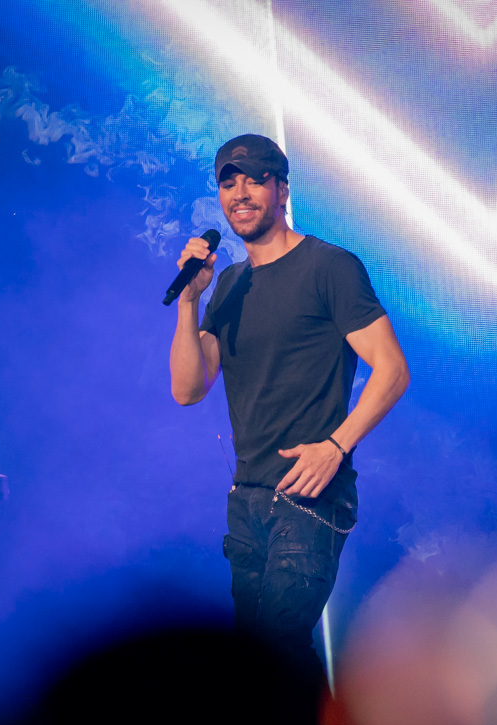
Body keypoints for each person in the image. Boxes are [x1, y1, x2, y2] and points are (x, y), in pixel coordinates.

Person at [169, 134, 409, 679]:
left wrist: (335, 447)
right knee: (259, 664)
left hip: (309, 495)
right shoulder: (229, 284)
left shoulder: (329, 267)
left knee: (277, 645)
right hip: (247, 500)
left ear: (281, 190)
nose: (240, 193)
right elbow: (188, 387)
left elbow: (392, 369)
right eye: (228, 182)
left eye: (255, 179)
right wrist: (190, 301)